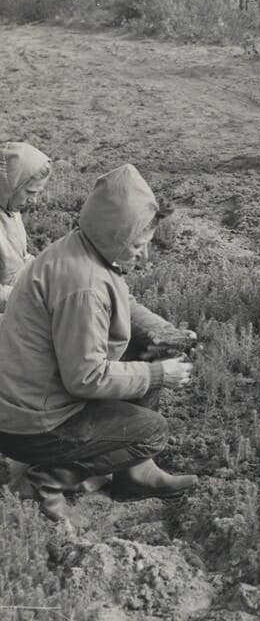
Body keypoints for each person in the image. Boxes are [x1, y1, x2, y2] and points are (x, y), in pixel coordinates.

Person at [0, 164, 198, 523]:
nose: (145, 255)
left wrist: (164, 333)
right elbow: (86, 378)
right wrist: (158, 375)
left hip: (30, 401)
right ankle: (44, 481)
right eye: (138, 244)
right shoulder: (84, 286)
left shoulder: (83, 248)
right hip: (35, 423)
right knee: (152, 432)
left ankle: (134, 474)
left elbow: (124, 304)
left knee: (146, 348)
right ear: (116, 235)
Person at [0, 142, 51, 312]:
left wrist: (50, 274)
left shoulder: (11, 210)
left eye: (37, 193)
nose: (34, 200)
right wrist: (29, 297)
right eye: (30, 192)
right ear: (10, 185)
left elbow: (20, 259)